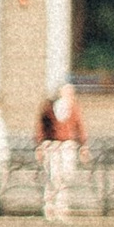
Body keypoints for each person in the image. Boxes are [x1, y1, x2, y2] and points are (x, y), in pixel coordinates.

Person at [37, 78, 84, 217]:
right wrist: (40, 145)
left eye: (71, 92)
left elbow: (79, 126)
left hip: (68, 145)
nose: (69, 95)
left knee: (66, 175)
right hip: (52, 145)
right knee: (53, 176)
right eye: (66, 91)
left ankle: (62, 206)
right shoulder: (49, 107)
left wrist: (83, 145)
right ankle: (50, 207)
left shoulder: (73, 107)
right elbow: (41, 126)